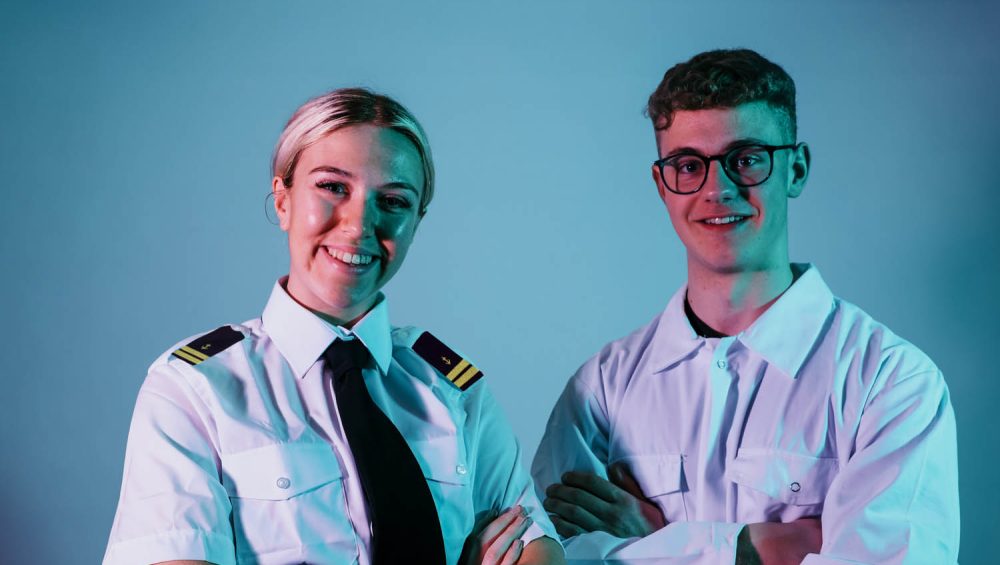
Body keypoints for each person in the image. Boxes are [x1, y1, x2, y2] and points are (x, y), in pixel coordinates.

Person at [531, 49, 959, 564]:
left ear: (796, 170)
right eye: (688, 166)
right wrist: (755, 546)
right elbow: (546, 558)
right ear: (661, 185)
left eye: (747, 159)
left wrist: (650, 543)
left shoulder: (889, 382)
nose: (717, 188)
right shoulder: (600, 389)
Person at [104, 88, 564, 565]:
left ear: (416, 221)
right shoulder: (193, 389)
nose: (360, 223)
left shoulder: (453, 392)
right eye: (333, 187)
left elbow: (538, 548)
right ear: (282, 199)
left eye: (393, 201)